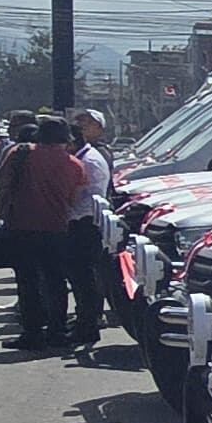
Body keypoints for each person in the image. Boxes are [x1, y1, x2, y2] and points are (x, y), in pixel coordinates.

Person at [0, 117, 91, 351]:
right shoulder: (75, 165)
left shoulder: (20, 154)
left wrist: (4, 213)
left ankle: (32, 333)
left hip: (22, 225)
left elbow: (1, 184)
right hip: (57, 228)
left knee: (28, 283)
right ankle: (57, 331)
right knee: (55, 282)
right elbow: (74, 198)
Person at [64, 109, 117, 352]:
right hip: (83, 222)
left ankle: (87, 326)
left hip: (86, 224)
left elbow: (88, 199)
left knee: (85, 279)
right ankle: (85, 320)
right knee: (82, 279)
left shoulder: (89, 161)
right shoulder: (86, 157)